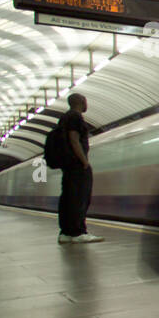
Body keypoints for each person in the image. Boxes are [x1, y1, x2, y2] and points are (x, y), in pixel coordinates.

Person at [57, 93, 103, 244]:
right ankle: (78, 232)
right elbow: (74, 139)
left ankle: (66, 233)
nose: (86, 104)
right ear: (82, 102)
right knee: (80, 198)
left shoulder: (64, 118)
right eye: (85, 101)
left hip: (68, 166)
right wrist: (84, 162)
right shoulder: (75, 117)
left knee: (68, 198)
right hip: (77, 165)